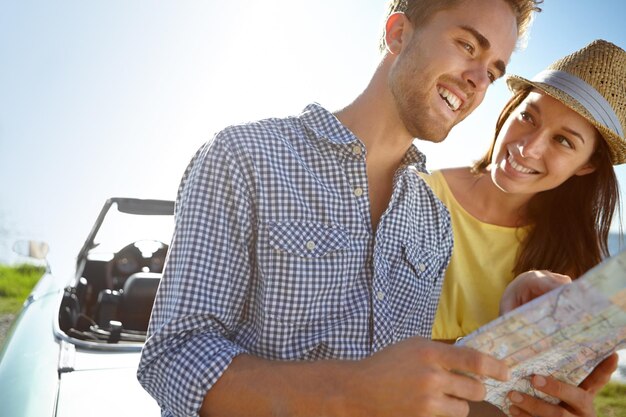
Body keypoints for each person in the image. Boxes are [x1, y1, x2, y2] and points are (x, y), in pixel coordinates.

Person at [137, 1, 548, 416]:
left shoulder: (434, 219)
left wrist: (518, 382)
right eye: (467, 46)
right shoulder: (245, 156)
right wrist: (348, 392)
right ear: (399, 34)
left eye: (493, 72)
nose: (479, 80)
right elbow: (172, 357)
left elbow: (415, 393)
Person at [421, 39, 625, 416]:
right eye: (528, 116)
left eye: (563, 141)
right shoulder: (417, 194)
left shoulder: (572, 259)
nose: (528, 148)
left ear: (586, 166)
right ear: (511, 107)